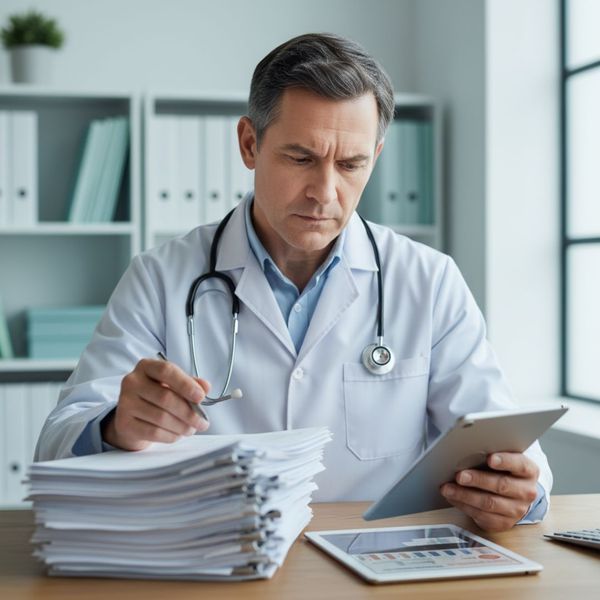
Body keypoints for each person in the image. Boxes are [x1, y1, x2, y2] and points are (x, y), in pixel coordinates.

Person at [36, 33, 551, 532]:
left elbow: (505, 443)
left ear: (375, 156)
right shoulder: (161, 276)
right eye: (301, 158)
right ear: (249, 143)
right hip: (216, 552)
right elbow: (58, 440)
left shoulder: (428, 280)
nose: (324, 192)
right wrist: (114, 425)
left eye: (350, 164)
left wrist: (520, 492)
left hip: (373, 561)